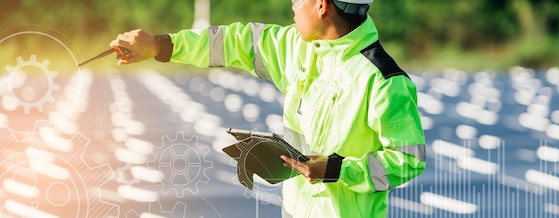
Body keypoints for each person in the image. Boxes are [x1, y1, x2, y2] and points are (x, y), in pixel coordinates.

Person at [110, 0, 427, 217]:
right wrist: (160, 45)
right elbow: (234, 42)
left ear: (322, 5)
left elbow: (409, 160)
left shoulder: (384, 80)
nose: (292, 5)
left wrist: (337, 170)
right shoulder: (297, 47)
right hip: (295, 210)